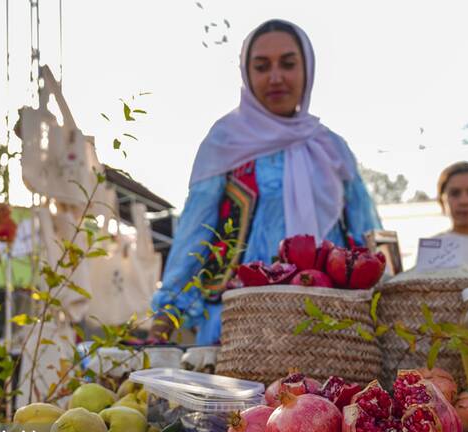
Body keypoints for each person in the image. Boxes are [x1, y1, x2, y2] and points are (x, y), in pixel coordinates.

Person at [150, 19, 381, 344]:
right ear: (247, 73)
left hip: (329, 316)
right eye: (262, 66)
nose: (276, 77)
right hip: (242, 319)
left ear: (307, 70)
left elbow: (367, 234)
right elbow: (195, 231)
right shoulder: (225, 141)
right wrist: (167, 312)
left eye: (288, 64)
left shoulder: (331, 147)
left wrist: (385, 297)